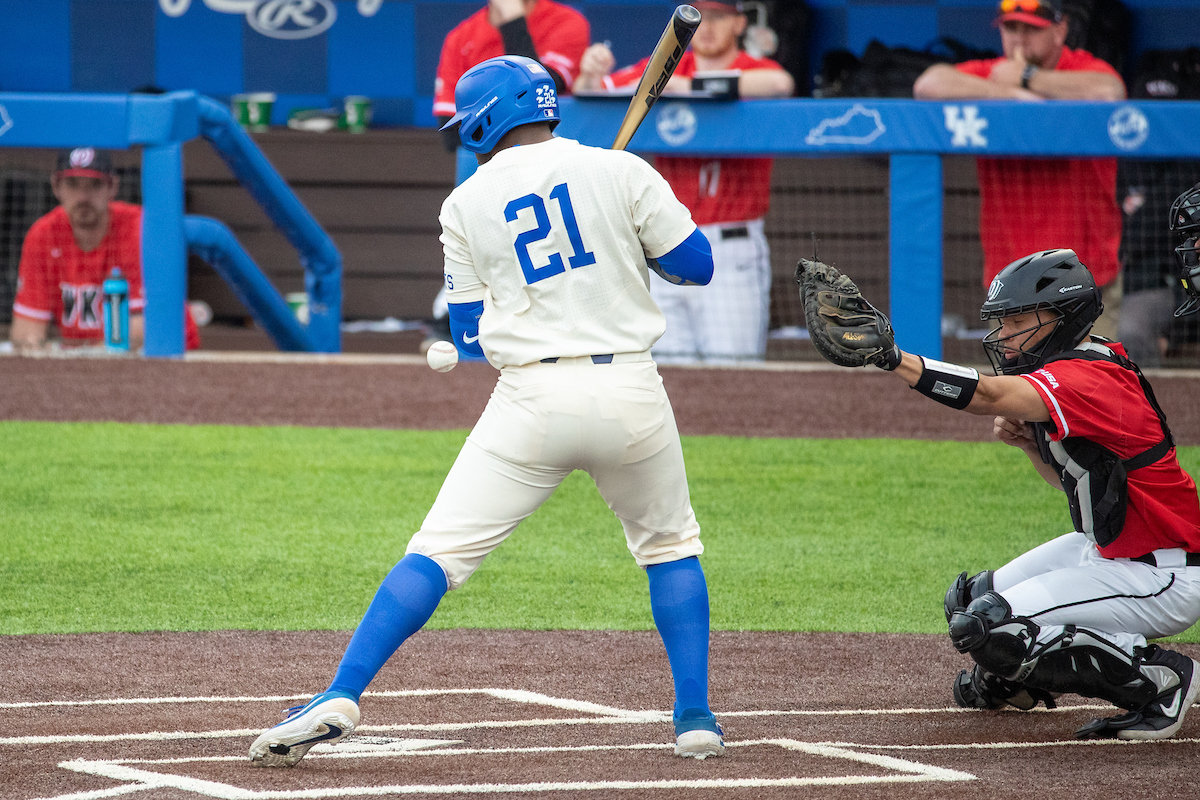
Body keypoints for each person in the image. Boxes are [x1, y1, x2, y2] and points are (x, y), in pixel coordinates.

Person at [249, 55, 726, 767]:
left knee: (437, 553)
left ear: (487, 119)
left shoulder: (466, 202)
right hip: (630, 392)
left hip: (530, 400)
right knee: (669, 550)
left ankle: (342, 691)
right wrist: (627, 243)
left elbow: (470, 335)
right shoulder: (621, 172)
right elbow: (697, 265)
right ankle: (695, 717)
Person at [802, 247, 1200, 740]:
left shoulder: (1090, 377)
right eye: (1002, 321)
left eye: (1017, 320)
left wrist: (895, 360)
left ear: (1061, 316)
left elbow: (987, 394)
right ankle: (1018, 682)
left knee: (989, 626)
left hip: (1163, 573)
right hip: (1112, 554)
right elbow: (1083, 488)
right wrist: (1030, 450)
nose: (1005, 334)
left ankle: (1161, 680)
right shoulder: (1078, 365)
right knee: (973, 600)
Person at [573, 0, 794, 363]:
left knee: (733, 373)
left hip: (731, 247)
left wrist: (688, 85)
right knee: (668, 373)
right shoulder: (665, 66)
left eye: (720, 18)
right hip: (664, 242)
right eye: (702, 17)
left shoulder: (754, 68)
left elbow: (780, 83)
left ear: (740, 24)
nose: (707, 27)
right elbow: (594, 89)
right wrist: (588, 71)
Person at [912, 0, 1126, 341]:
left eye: (1032, 29)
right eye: (1011, 28)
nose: (1019, 39)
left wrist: (1030, 78)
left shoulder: (1081, 68)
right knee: (1012, 390)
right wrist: (1010, 92)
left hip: (1084, 274)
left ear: (1060, 30)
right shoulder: (995, 74)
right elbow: (928, 84)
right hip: (1012, 276)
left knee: (1089, 387)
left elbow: (1110, 91)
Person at [9, 148, 200, 352]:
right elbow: (25, 329)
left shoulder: (140, 228)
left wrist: (76, 357)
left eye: (95, 184)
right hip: (86, 358)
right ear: (56, 187)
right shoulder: (43, 235)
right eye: (72, 184)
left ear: (112, 187)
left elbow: (144, 330)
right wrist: (36, 347)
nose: (83, 197)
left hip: (167, 354)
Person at [433, 0, 589, 151]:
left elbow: (539, 89)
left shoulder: (566, 22)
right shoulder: (460, 38)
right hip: (487, 165)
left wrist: (512, 19)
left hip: (552, 155)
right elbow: (451, 134)